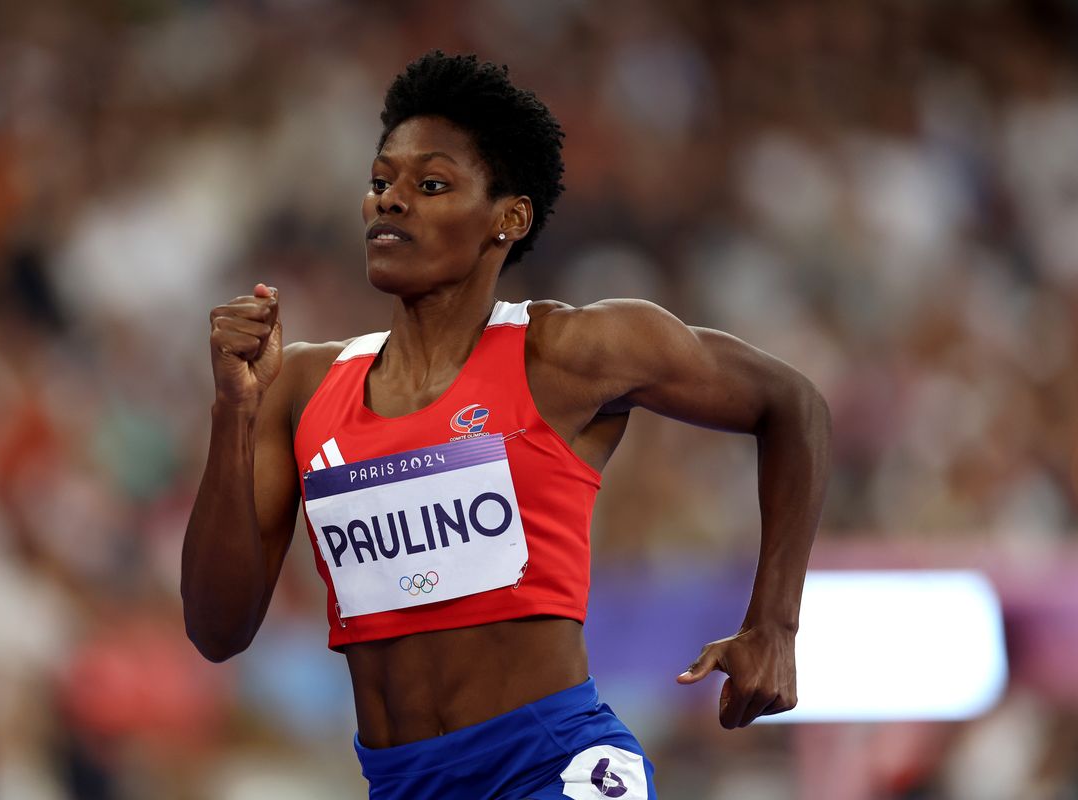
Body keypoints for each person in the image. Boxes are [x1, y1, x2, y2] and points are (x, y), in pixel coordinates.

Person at [181, 51, 831, 800]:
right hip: (401, 783)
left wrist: (774, 625)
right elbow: (217, 631)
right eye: (380, 181)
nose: (391, 201)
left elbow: (793, 404)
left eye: (430, 185)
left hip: (551, 765)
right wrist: (232, 411)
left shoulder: (570, 352)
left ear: (508, 218)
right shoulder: (298, 384)